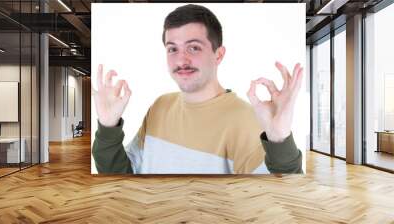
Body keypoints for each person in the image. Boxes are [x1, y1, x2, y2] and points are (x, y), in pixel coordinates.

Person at [92, 4, 304, 174]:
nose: (181, 59)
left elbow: (281, 203)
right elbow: (121, 175)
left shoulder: (246, 119)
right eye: (172, 48)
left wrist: (279, 141)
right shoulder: (160, 106)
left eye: (194, 47)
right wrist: (108, 127)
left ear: (218, 55)